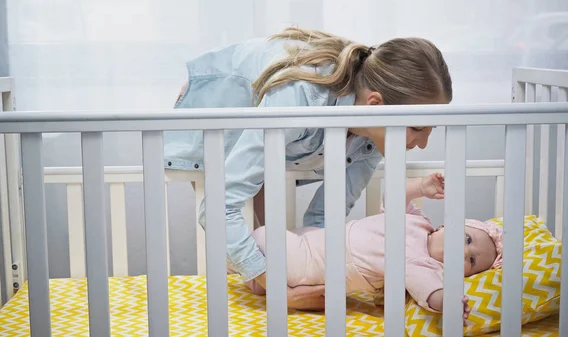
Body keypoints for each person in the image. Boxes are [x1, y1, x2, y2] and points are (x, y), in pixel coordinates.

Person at [164, 26, 453, 309]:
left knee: (275, 248)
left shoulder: (372, 135)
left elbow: (324, 219)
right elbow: (217, 206)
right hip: (217, 104)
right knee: (250, 251)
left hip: (269, 114)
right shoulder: (301, 96)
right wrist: (279, 289)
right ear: (375, 104)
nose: (424, 143)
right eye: (417, 128)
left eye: (431, 129)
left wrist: (316, 276)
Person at [245, 173, 503, 326]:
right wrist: (421, 187)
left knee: (267, 235)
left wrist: (449, 303)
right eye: (467, 239)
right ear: (448, 226)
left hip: (309, 266)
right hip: (317, 244)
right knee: (298, 236)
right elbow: (393, 197)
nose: (462, 251)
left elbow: (431, 292)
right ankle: (257, 281)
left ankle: (245, 263)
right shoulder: (418, 222)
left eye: (471, 261)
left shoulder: (422, 264)